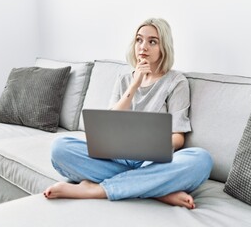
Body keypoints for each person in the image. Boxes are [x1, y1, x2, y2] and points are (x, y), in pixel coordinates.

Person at [44, 18, 213, 209]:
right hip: (116, 157)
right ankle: (157, 190)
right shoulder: (124, 78)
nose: (143, 47)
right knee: (60, 147)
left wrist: (151, 146)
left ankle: (97, 190)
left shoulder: (176, 82)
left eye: (152, 41)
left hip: (153, 161)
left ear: (163, 47)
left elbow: (178, 138)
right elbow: (108, 125)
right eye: (139, 40)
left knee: (201, 160)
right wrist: (135, 84)